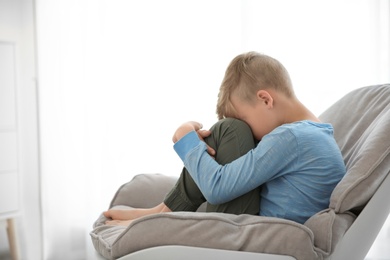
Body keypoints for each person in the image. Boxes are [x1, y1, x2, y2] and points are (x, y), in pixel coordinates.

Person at [104, 51, 346, 226]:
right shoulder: (311, 133)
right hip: (260, 219)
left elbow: (217, 189)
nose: (248, 130)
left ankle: (162, 213)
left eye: (246, 119)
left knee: (229, 130)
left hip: (256, 230)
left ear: (265, 100)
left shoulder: (292, 137)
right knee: (224, 134)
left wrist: (185, 138)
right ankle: (162, 211)